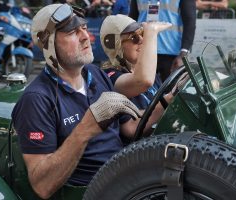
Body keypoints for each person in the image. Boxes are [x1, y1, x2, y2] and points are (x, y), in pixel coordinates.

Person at [11, 3, 144, 199]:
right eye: (73, 32)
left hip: (127, 179)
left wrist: (168, 100)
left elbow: (130, 128)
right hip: (93, 191)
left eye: (83, 28)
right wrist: (86, 128)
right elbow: (42, 186)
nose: (86, 37)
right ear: (48, 44)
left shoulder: (96, 74)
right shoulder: (37, 99)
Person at [129, 0, 196, 82]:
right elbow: (132, 20)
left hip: (171, 55)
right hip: (143, 51)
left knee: (169, 91)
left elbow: (190, 23)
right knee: (142, 89)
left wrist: (183, 53)